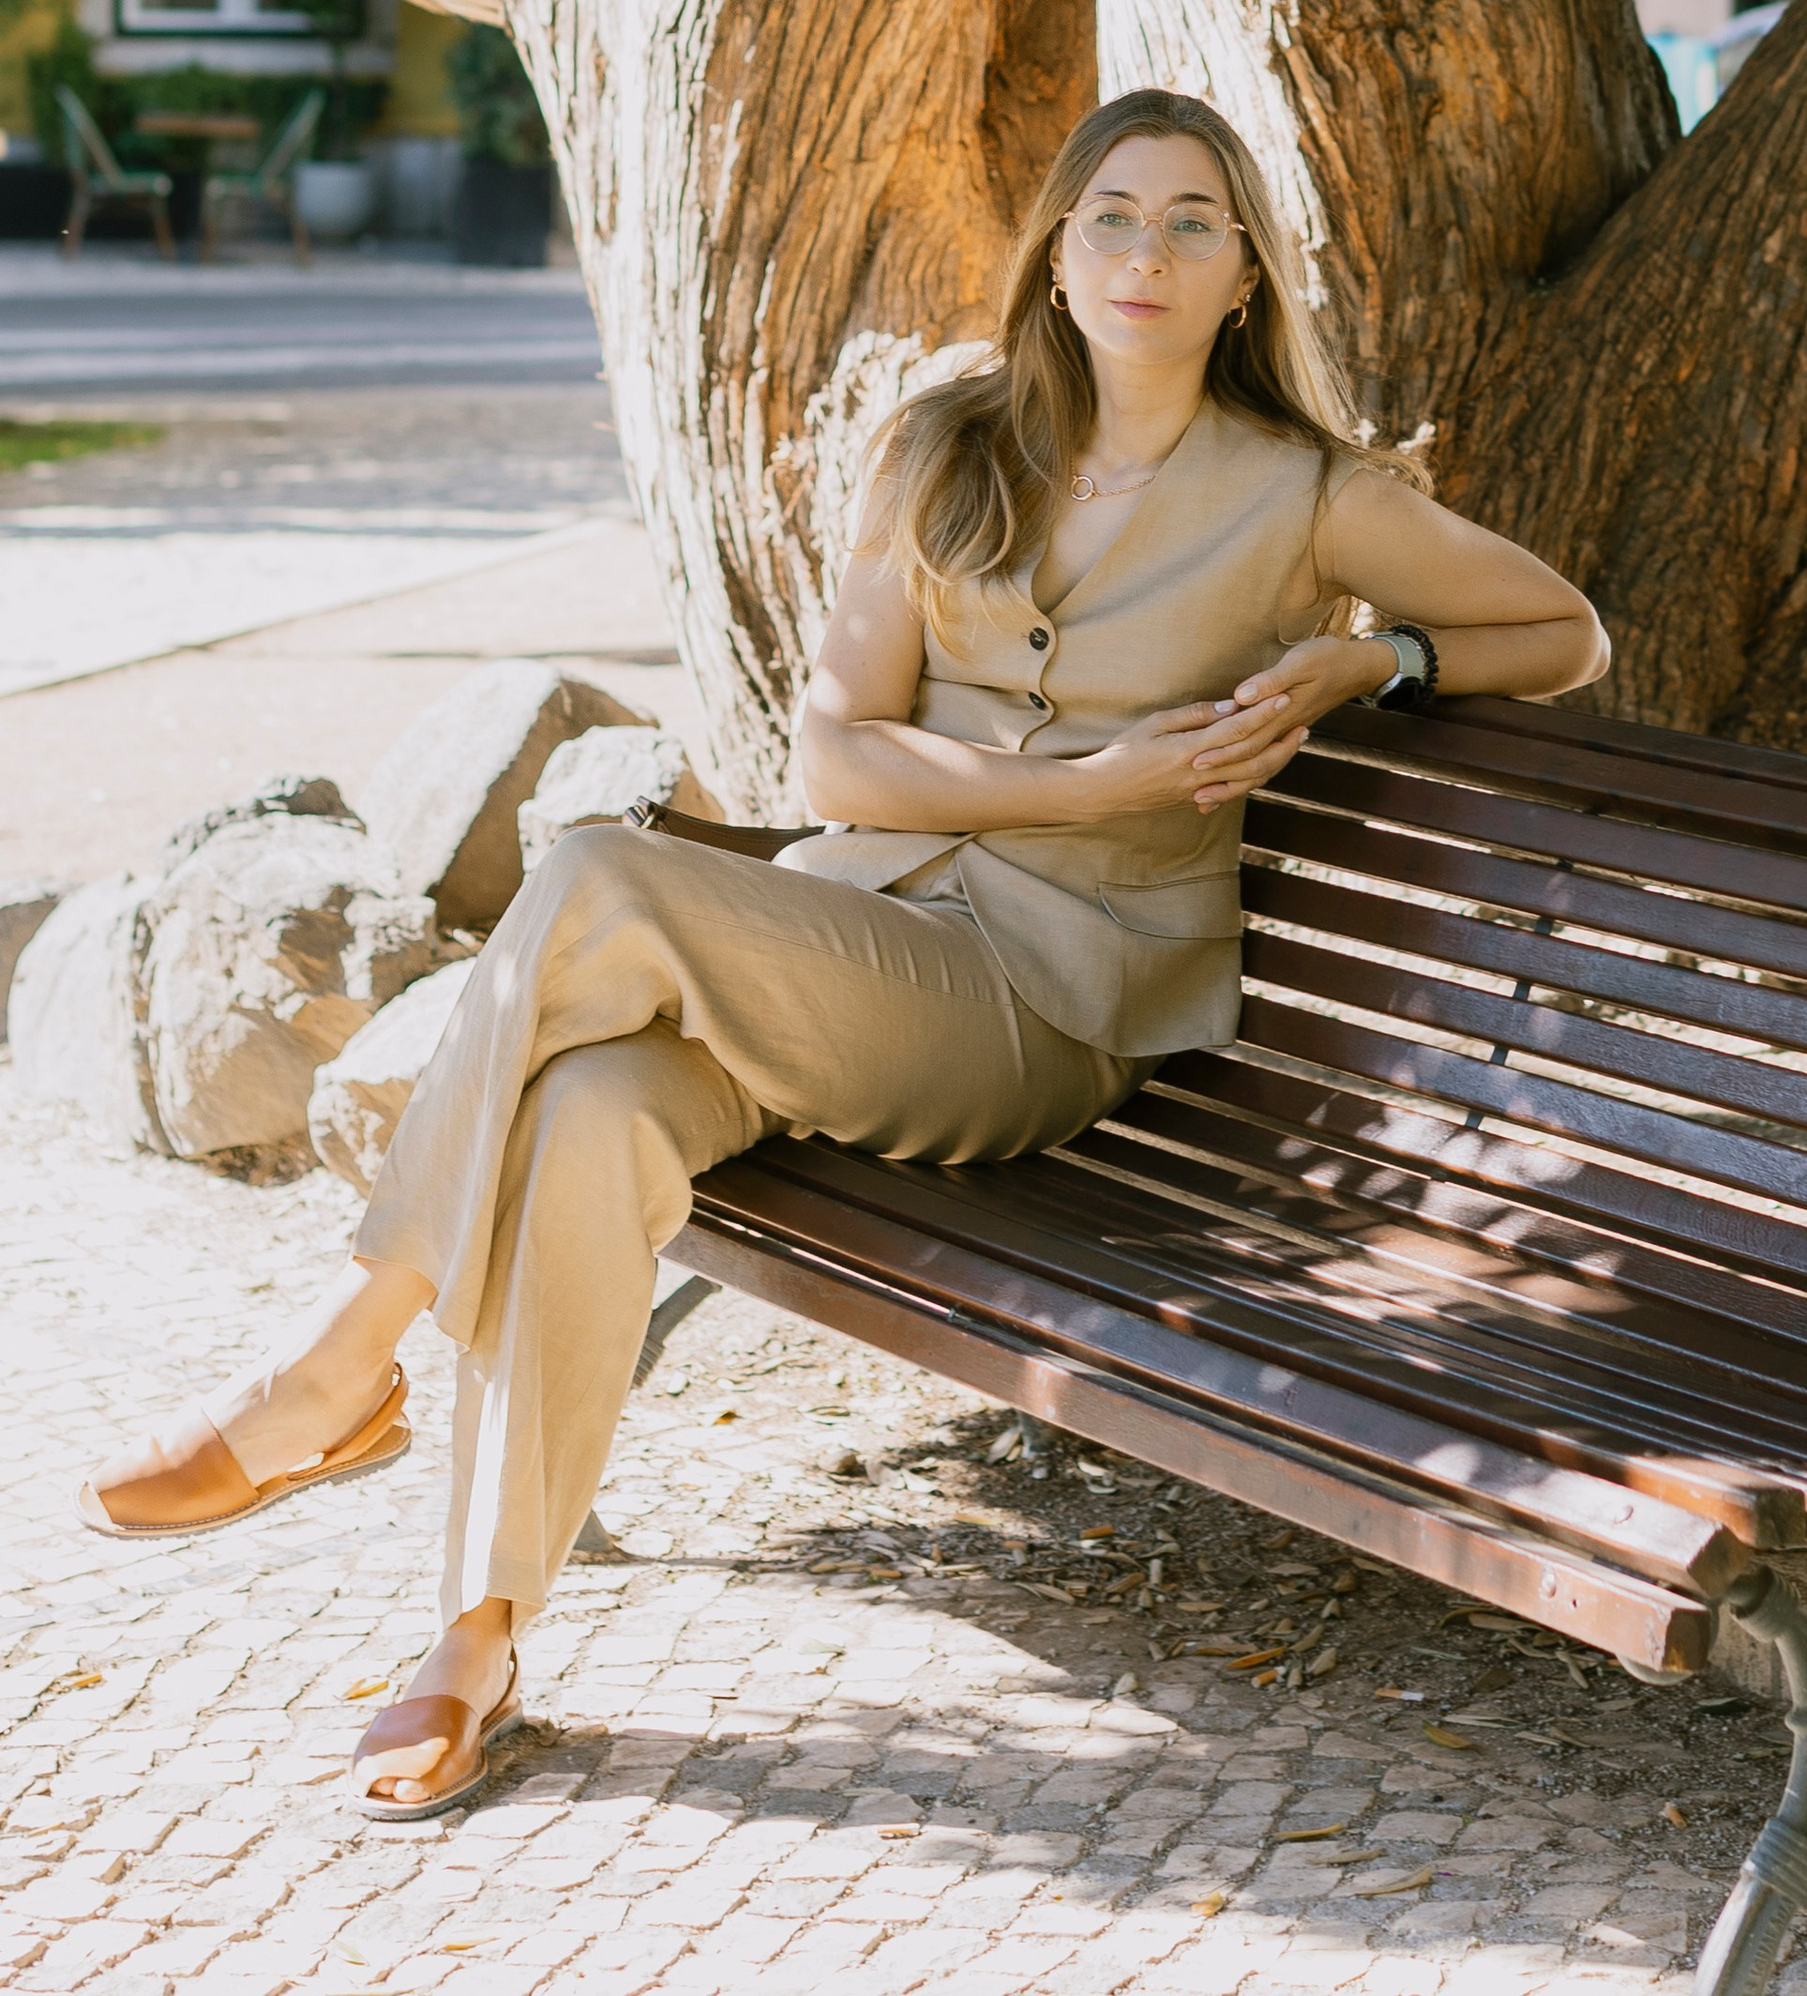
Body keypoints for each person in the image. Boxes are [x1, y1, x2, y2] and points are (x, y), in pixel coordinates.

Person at [78, 87, 1607, 1820]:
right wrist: (1094, 776)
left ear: (1247, 273)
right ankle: (473, 1636)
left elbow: (1563, 628)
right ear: (1058, 247)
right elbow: (839, 756)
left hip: (1044, 999)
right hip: (849, 927)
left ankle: (341, 1367)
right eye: (1113, 212)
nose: (1148, 250)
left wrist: (1364, 664)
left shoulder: (1308, 496)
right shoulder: (948, 444)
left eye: (1194, 220)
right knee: (589, 1113)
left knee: (593, 871)